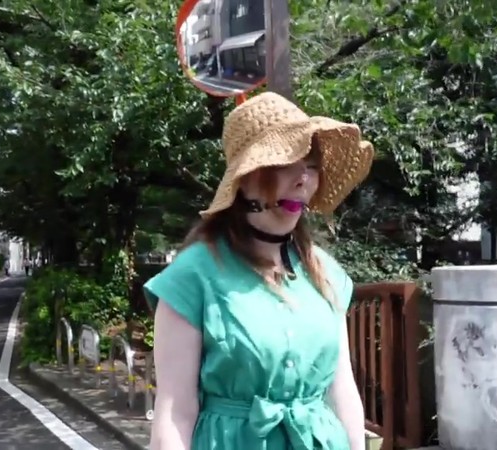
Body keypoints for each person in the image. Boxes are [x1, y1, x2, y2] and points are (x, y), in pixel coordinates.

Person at [145, 92, 374, 450]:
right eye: (286, 163)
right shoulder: (192, 277)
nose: (303, 178)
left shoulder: (325, 273)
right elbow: (175, 413)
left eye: (312, 165)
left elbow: (342, 390)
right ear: (245, 177)